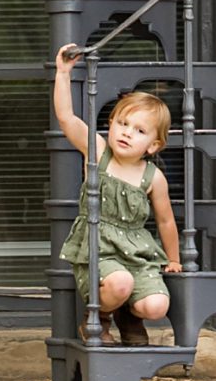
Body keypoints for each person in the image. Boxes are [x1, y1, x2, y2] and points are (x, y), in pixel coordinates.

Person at [53, 45, 180, 346]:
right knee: (120, 283)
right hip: (101, 250)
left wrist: (173, 258)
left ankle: (129, 315)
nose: (126, 133)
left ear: (153, 145)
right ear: (110, 125)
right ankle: (98, 317)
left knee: (157, 305)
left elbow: (165, 221)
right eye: (122, 124)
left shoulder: (153, 178)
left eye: (138, 130)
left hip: (137, 253)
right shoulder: (98, 153)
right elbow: (67, 119)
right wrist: (62, 73)